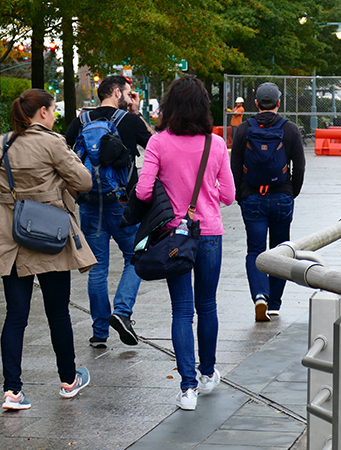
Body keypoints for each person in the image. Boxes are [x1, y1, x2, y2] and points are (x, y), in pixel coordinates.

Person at [0, 88, 96, 409]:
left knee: (15, 315)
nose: (55, 113)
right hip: (50, 236)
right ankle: (68, 380)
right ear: (42, 113)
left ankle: (12, 391)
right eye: (53, 108)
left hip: (10, 239)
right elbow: (85, 181)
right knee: (58, 312)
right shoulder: (52, 142)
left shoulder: (1, 144)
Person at [134, 76, 235, 411]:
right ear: (203, 107)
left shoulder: (158, 143)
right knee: (207, 305)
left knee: (181, 309)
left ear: (170, 107)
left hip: (173, 237)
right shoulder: (216, 144)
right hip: (208, 234)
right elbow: (230, 196)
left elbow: (143, 191)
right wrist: (208, 196)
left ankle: (187, 388)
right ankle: (207, 374)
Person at [65, 75, 153, 349]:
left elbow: (65, 153)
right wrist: (136, 112)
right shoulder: (129, 121)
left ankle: (99, 331)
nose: (130, 96)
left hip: (90, 204)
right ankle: (122, 311)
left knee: (97, 268)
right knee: (137, 257)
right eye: (128, 93)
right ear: (116, 93)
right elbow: (155, 147)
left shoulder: (81, 121)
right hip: (122, 204)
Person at [231, 82, 305, 322]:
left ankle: (259, 295)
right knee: (280, 251)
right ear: (278, 103)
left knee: (255, 250)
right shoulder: (290, 129)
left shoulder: (243, 129)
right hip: (282, 196)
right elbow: (300, 165)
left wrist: (240, 195)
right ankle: (274, 304)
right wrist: (291, 192)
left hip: (253, 197)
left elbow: (235, 167)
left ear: (255, 104)